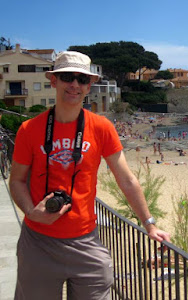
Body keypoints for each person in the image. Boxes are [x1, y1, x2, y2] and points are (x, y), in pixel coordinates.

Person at [9, 51, 170, 300]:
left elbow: (126, 179)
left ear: (90, 86)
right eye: (67, 77)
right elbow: (17, 180)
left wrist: (149, 224)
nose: (74, 85)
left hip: (86, 241)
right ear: (54, 81)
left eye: (82, 79)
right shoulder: (29, 130)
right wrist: (31, 212)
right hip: (38, 242)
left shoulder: (101, 127)